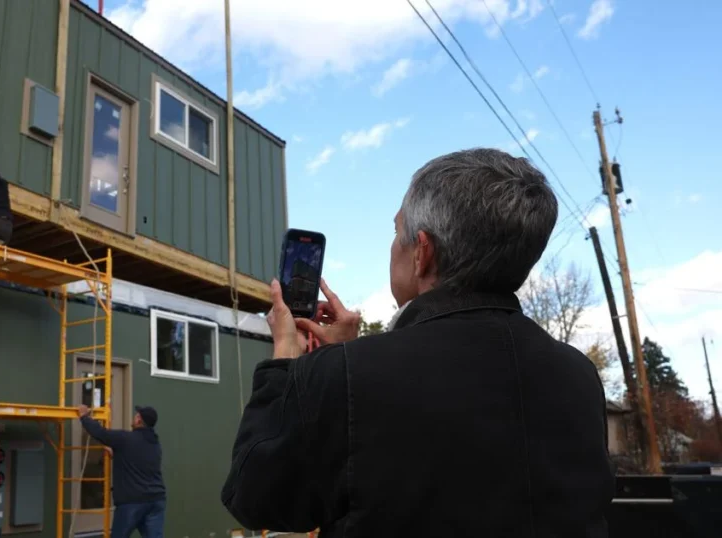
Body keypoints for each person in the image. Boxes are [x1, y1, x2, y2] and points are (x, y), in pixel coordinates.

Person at [221, 148, 615, 537]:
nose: (394, 245)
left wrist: (289, 362)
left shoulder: (347, 376)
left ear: (422, 253)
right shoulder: (579, 376)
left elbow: (255, 496)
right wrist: (348, 359)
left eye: (397, 232)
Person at [77, 404, 167, 538]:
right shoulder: (155, 444)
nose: (134, 417)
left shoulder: (125, 439)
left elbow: (101, 433)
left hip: (132, 502)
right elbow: (141, 461)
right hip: (156, 501)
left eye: (136, 415)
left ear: (138, 420)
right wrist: (118, 454)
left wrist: (84, 417)